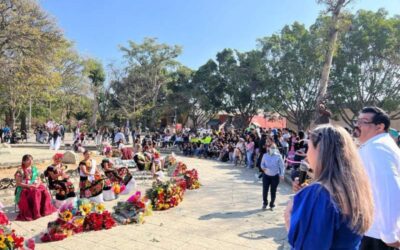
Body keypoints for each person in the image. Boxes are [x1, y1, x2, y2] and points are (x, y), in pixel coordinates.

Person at [285, 124, 374, 250]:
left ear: (320, 150)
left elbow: (306, 244)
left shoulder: (319, 194)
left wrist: (290, 216)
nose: (306, 154)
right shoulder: (357, 188)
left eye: (309, 147)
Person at [354, 107, 400, 249]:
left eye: (364, 121)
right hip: (375, 231)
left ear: (380, 127)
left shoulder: (377, 148)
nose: (357, 125)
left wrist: (389, 234)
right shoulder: (374, 146)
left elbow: (388, 190)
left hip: (377, 235)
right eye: (357, 121)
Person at [14, 155, 57, 221]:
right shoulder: (20, 171)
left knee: (44, 191)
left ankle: (43, 210)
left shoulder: (34, 169)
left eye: (32, 159)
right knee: (35, 192)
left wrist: (37, 185)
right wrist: (29, 186)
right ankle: (35, 213)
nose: (31, 161)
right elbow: (18, 183)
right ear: (23, 161)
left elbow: (39, 179)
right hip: (24, 188)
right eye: (28, 160)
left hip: (35, 185)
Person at [260, 143, 284, 211]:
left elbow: (281, 166)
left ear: (276, 149)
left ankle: (272, 204)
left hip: (275, 176)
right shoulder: (265, 155)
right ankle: (265, 203)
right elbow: (262, 164)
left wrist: (282, 174)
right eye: (271, 147)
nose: (272, 149)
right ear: (268, 148)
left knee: (273, 191)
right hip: (266, 175)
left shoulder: (279, 156)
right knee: (265, 190)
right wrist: (263, 168)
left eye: (274, 148)